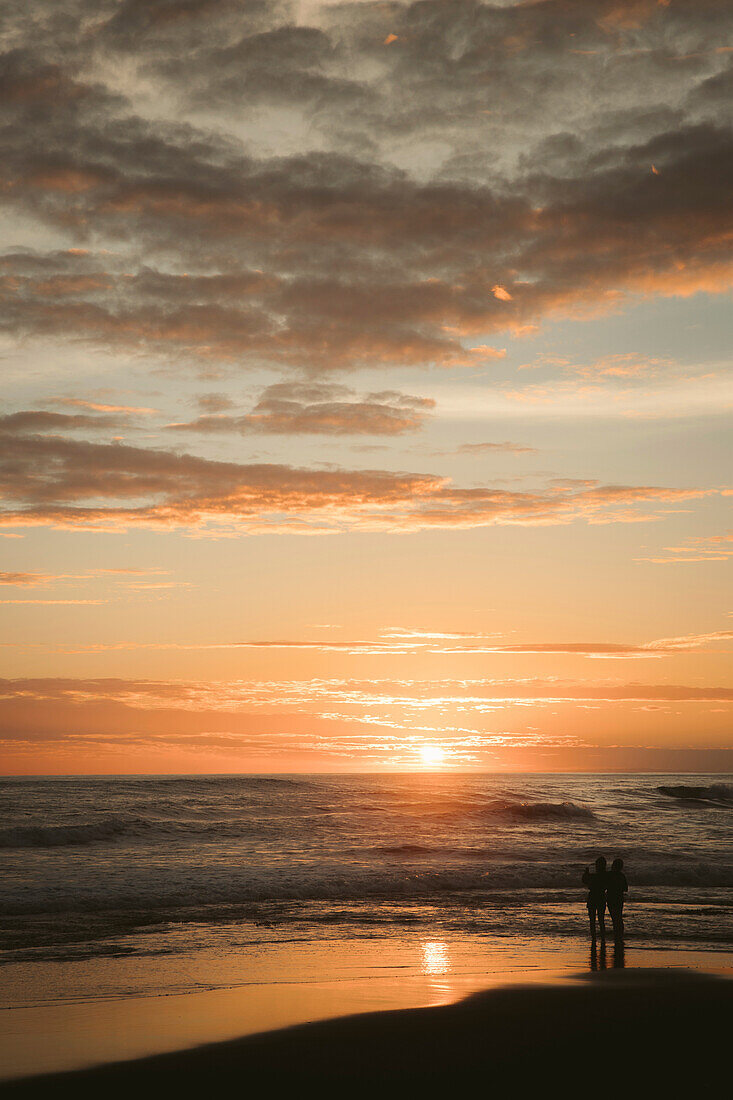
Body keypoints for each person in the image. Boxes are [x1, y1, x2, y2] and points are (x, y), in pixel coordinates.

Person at [582, 856, 607, 942]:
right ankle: (602, 938)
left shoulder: (594, 876)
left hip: (593, 897)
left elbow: (584, 881)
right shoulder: (606, 876)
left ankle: (594, 938)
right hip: (601, 898)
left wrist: (586, 873)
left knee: (592, 920)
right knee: (601, 919)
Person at [606, 857, 628, 940]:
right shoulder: (621, 876)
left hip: (611, 898)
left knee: (614, 917)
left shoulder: (609, 875)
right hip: (619, 898)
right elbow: (625, 888)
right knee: (618, 916)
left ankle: (617, 933)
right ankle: (619, 934)